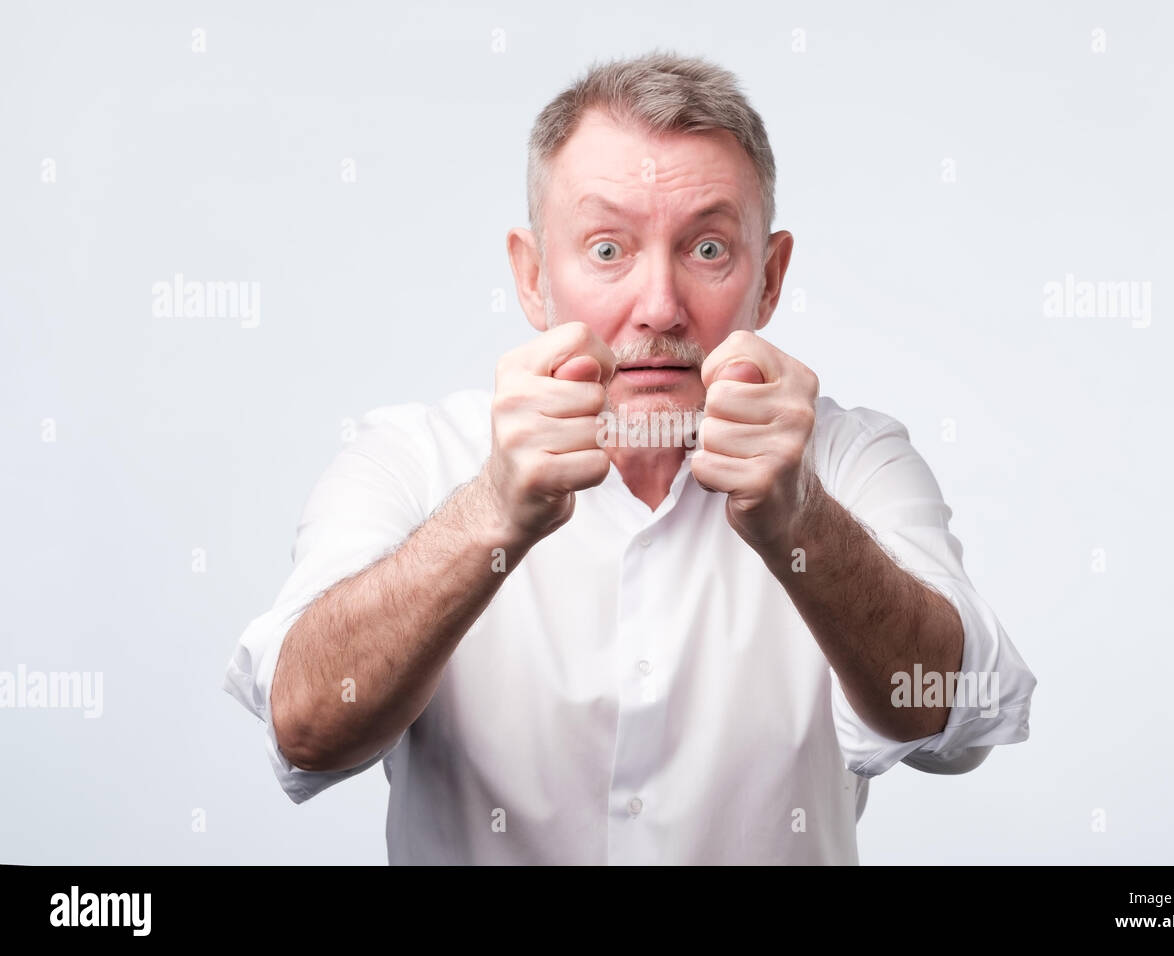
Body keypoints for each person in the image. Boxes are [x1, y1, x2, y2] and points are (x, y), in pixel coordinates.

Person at [223, 50, 1036, 865]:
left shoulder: (855, 461)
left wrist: (802, 524)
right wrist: (491, 515)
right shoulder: (407, 460)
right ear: (535, 277)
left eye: (708, 250)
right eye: (607, 250)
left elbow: (951, 718)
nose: (659, 307)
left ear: (772, 276)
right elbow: (307, 729)